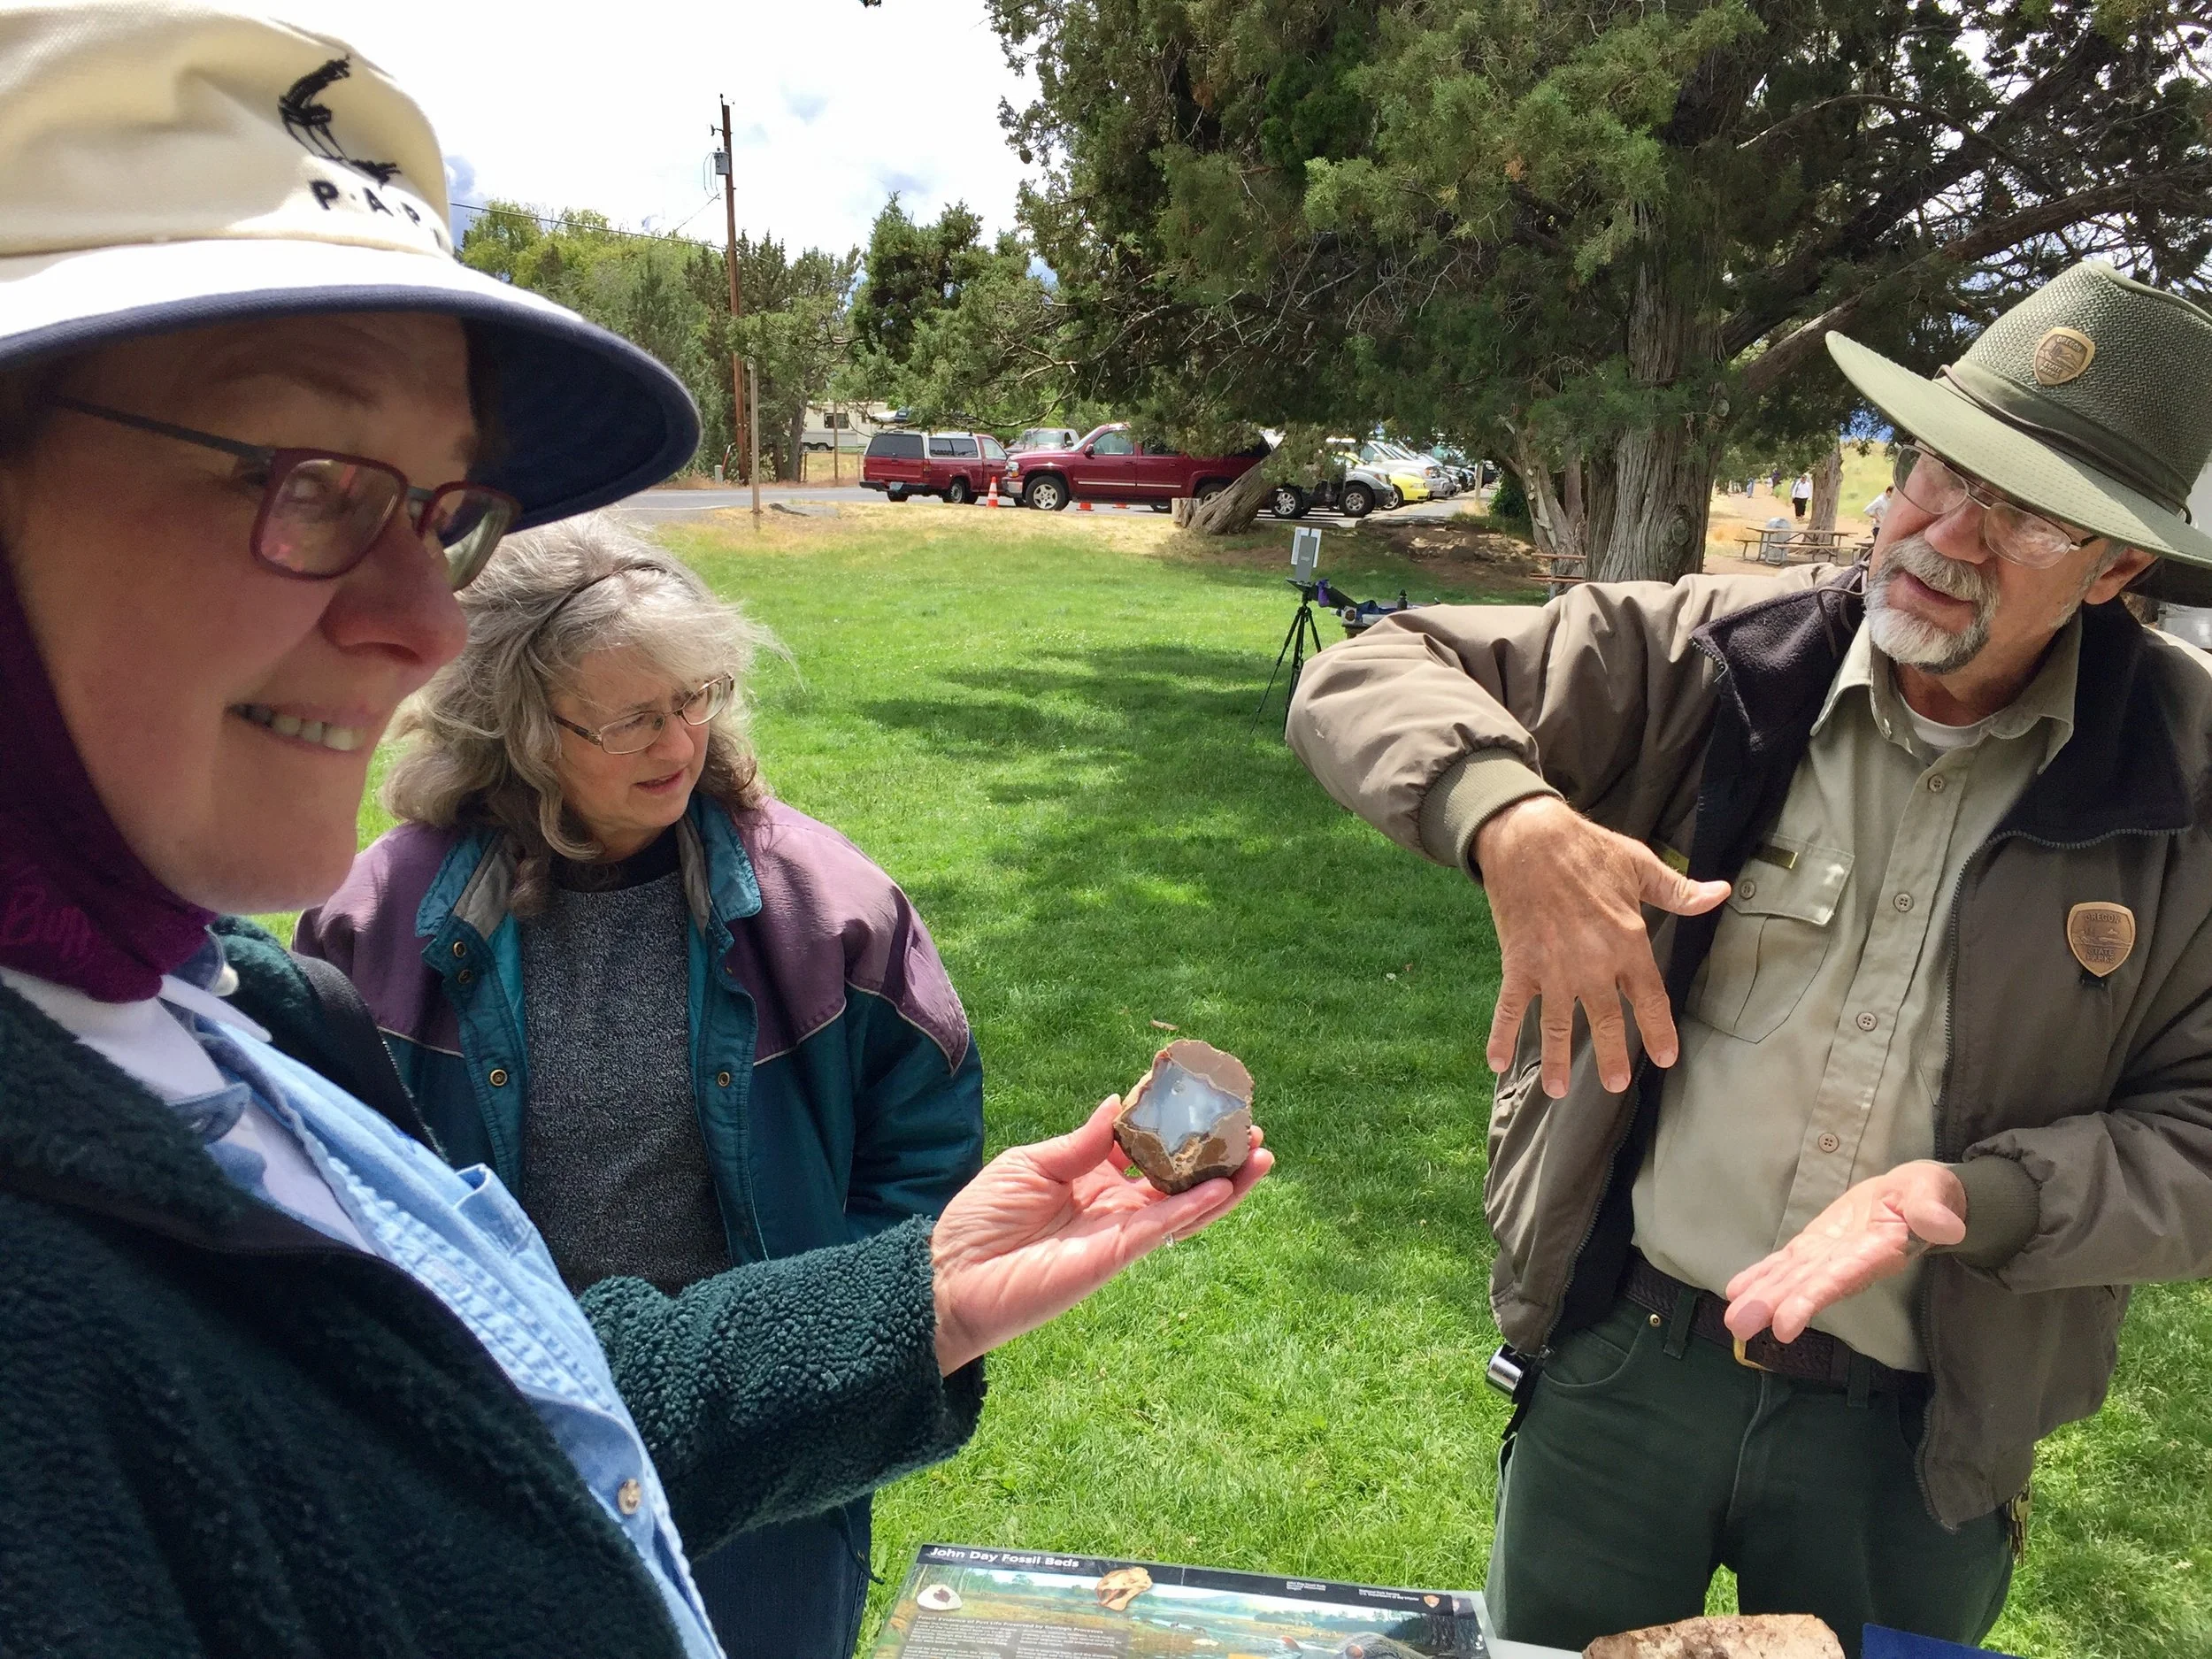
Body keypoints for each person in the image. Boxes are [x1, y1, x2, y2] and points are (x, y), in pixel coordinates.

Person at [0, 9, 1270, 1654]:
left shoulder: (235, 1023)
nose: (418, 620)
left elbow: (498, 1398)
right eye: (310, 479)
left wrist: (922, 1287)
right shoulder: (316, 987)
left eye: (445, 513)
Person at [1287, 258, 2212, 1656]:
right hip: (1626, 1363)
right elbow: (1366, 670)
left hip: (1918, 1432)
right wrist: (1514, 820)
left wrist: (1981, 1198)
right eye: (1932, 470)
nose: (1942, 534)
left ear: (2117, 565)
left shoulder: (2189, 779)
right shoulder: (1723, 651)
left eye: (2018, 512)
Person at [293, 514, 982, 1657]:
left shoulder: (831, 912)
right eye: (630, 716)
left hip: (764, 1456)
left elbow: (924, 1154)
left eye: (694, 694)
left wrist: (834, 1355)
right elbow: (325, 1185)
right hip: (502, 1449)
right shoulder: (382, 923)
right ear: (518, 722)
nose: (679, 738)